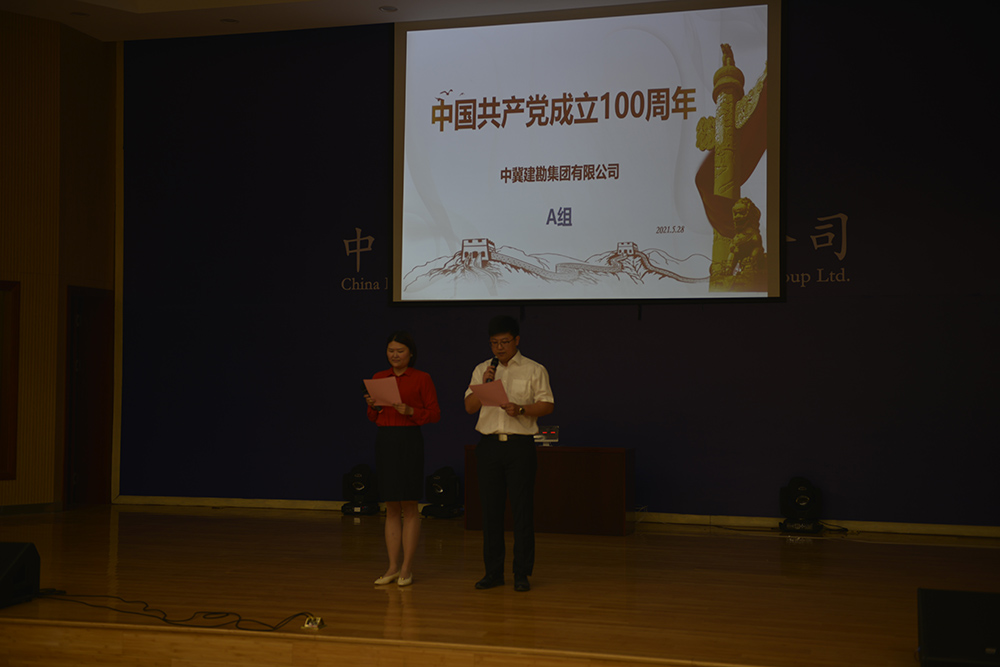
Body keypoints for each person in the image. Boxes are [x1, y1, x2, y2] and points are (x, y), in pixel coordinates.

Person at [464, 315, 554, 592]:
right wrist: (485, 385)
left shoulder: (534, 369)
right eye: (494, 343)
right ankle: (493, 572)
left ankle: (521, 573)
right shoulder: (482, 369)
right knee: (490, 511)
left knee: (522, 510)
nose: (499, 348)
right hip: (489, 446)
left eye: (504, 342)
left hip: (519, 446)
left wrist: (522, 409)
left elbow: (547, 404)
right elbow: (469, 407)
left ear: (517, 340)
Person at [365, 331, 440, 587]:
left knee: (409, 505)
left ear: (411, 353)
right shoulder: (378, 377)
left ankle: (407, 567)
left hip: (409, 440)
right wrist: (372, 406)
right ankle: (392, 566)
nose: (395, 355)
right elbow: (373, 416)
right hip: (385, 440)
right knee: (391, 505)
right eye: (391, 351)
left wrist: (411, 411)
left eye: (400, 351)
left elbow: (434, 413)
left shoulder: (422, 378)